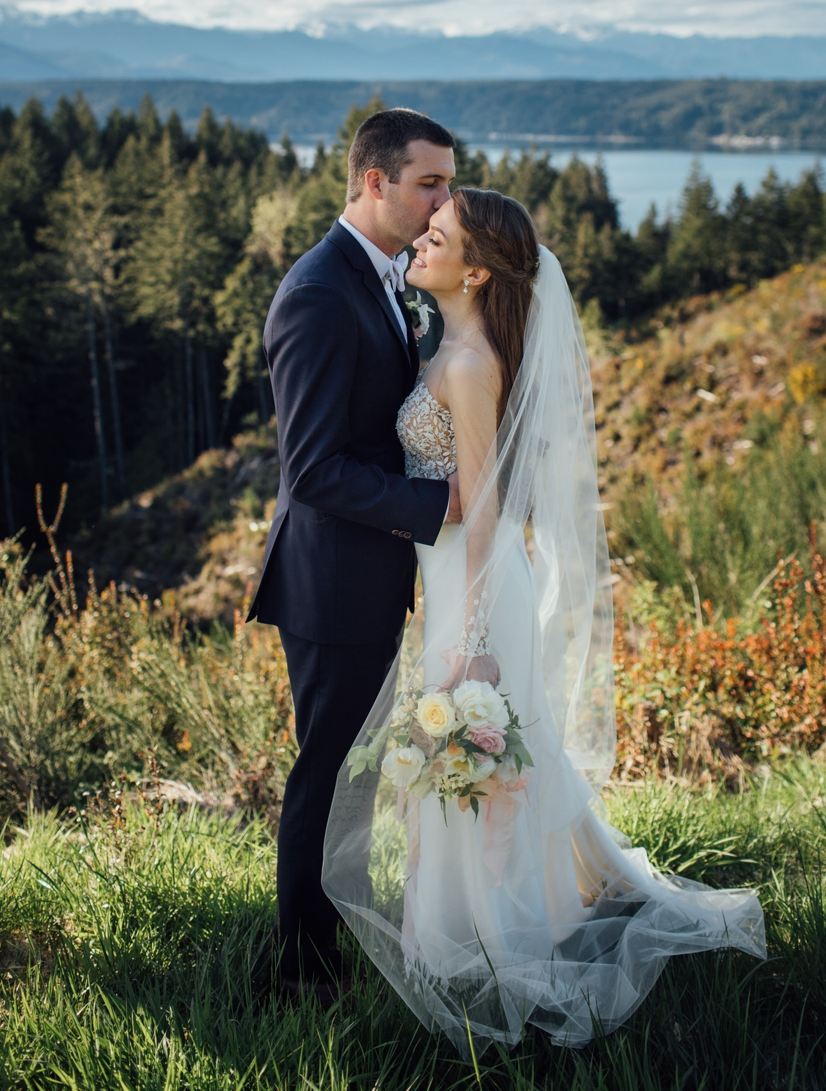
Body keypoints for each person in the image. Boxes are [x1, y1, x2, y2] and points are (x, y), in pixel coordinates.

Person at [323, 188, 766, 1054]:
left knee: (477, 762)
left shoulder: (472, 361)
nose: (422, 238)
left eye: (439, 236)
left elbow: (484, 511)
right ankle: (480, 924)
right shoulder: (443, 339)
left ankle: (496, 939)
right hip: (452, 581)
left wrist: (477, 646)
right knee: (475, 766)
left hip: (479, 589)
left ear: (476, 269)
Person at [247, 106, 463, 1001]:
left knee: (351, 776)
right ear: (374, 182)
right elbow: (315, 471)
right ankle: (300, 970)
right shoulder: (319, 293)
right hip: (332, 582)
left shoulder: (385, 277)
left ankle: (337, 931)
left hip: (370, 577)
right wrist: (441, 505)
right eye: (429, 184)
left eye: (448, 182)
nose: (443, 201)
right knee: (327, 774)